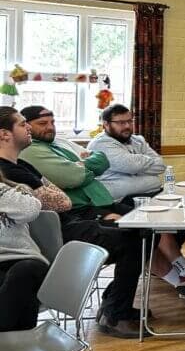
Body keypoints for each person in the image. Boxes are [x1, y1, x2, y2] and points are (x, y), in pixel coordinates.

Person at [0, 107, 148, 338]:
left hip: (70, 221)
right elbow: (61, 199)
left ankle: (114, 304)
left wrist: (43, 190)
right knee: (133, 239)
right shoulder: (6, 170)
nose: (28, 127)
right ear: (4, 134)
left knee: (140, 231)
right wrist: (48, 190)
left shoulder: (22, 166)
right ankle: (115, 313)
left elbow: (62, 197)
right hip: (54, 236)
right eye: (22, 124)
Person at [88, 103, 185, 298]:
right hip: (122, 200)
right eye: (120, 122)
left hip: (155, 193)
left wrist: (138, 166)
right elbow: (129, 165)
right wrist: (141, 165)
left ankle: (173, 265)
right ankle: (183, 273)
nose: (127, 126)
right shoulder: (101, 144)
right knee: (155, 228)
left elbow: (160, 164)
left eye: (129, 121)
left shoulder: (138, 140)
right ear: (105, 124)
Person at [0, 174, 50, 351]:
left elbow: (31, 209)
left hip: (24, 263)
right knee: (19, 300)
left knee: (25, 275)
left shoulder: (10, 190)